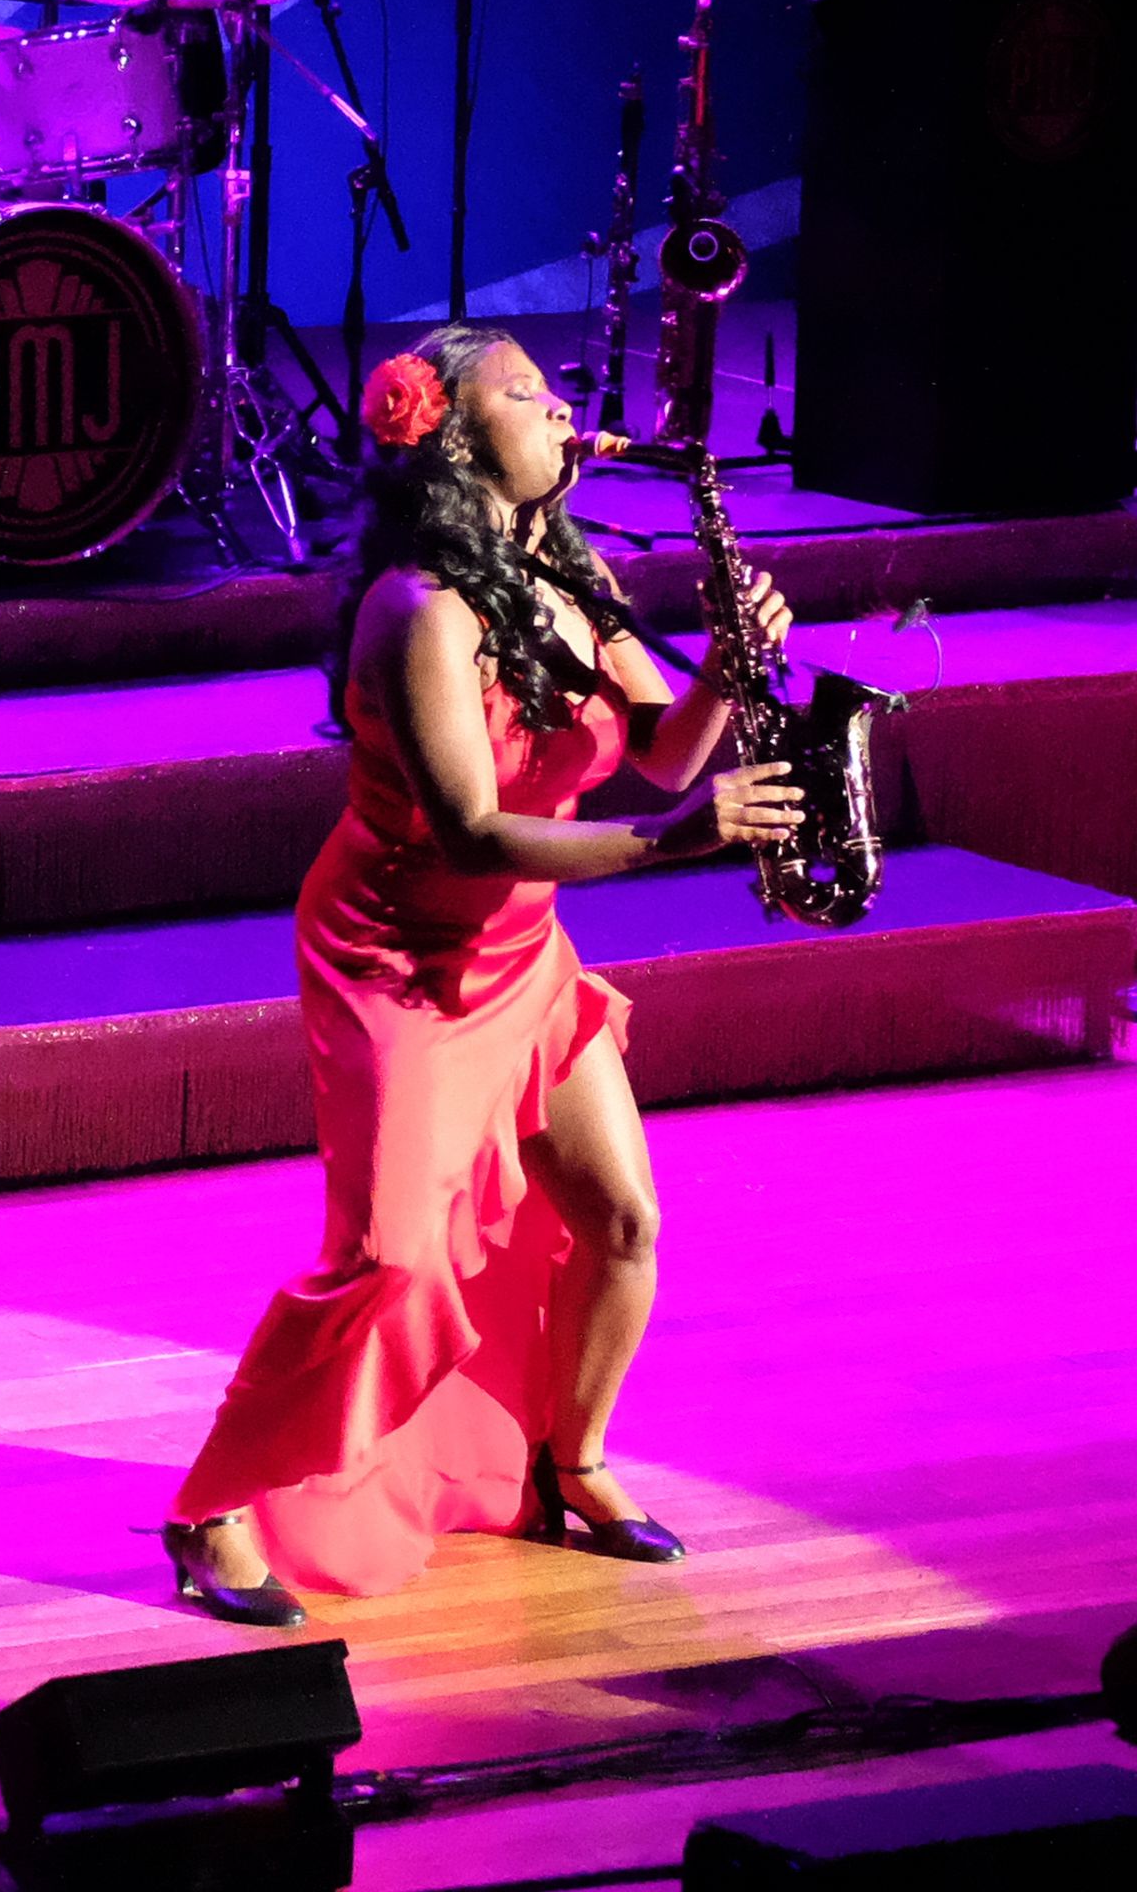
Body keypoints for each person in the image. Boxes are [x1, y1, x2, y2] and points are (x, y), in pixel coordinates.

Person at [158, 328, 803, 1623]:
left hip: (524, 957)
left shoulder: (565, 568)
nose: (564, 410)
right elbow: (472, 829)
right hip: (395, 962)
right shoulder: (417, 612)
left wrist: (730, 672)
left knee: (627, 1224)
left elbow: (668, 757)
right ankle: (211, 1507)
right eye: (528, 394)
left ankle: (579, 1461)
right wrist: (683, 844)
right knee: (389, 1262)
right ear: (453, 440)